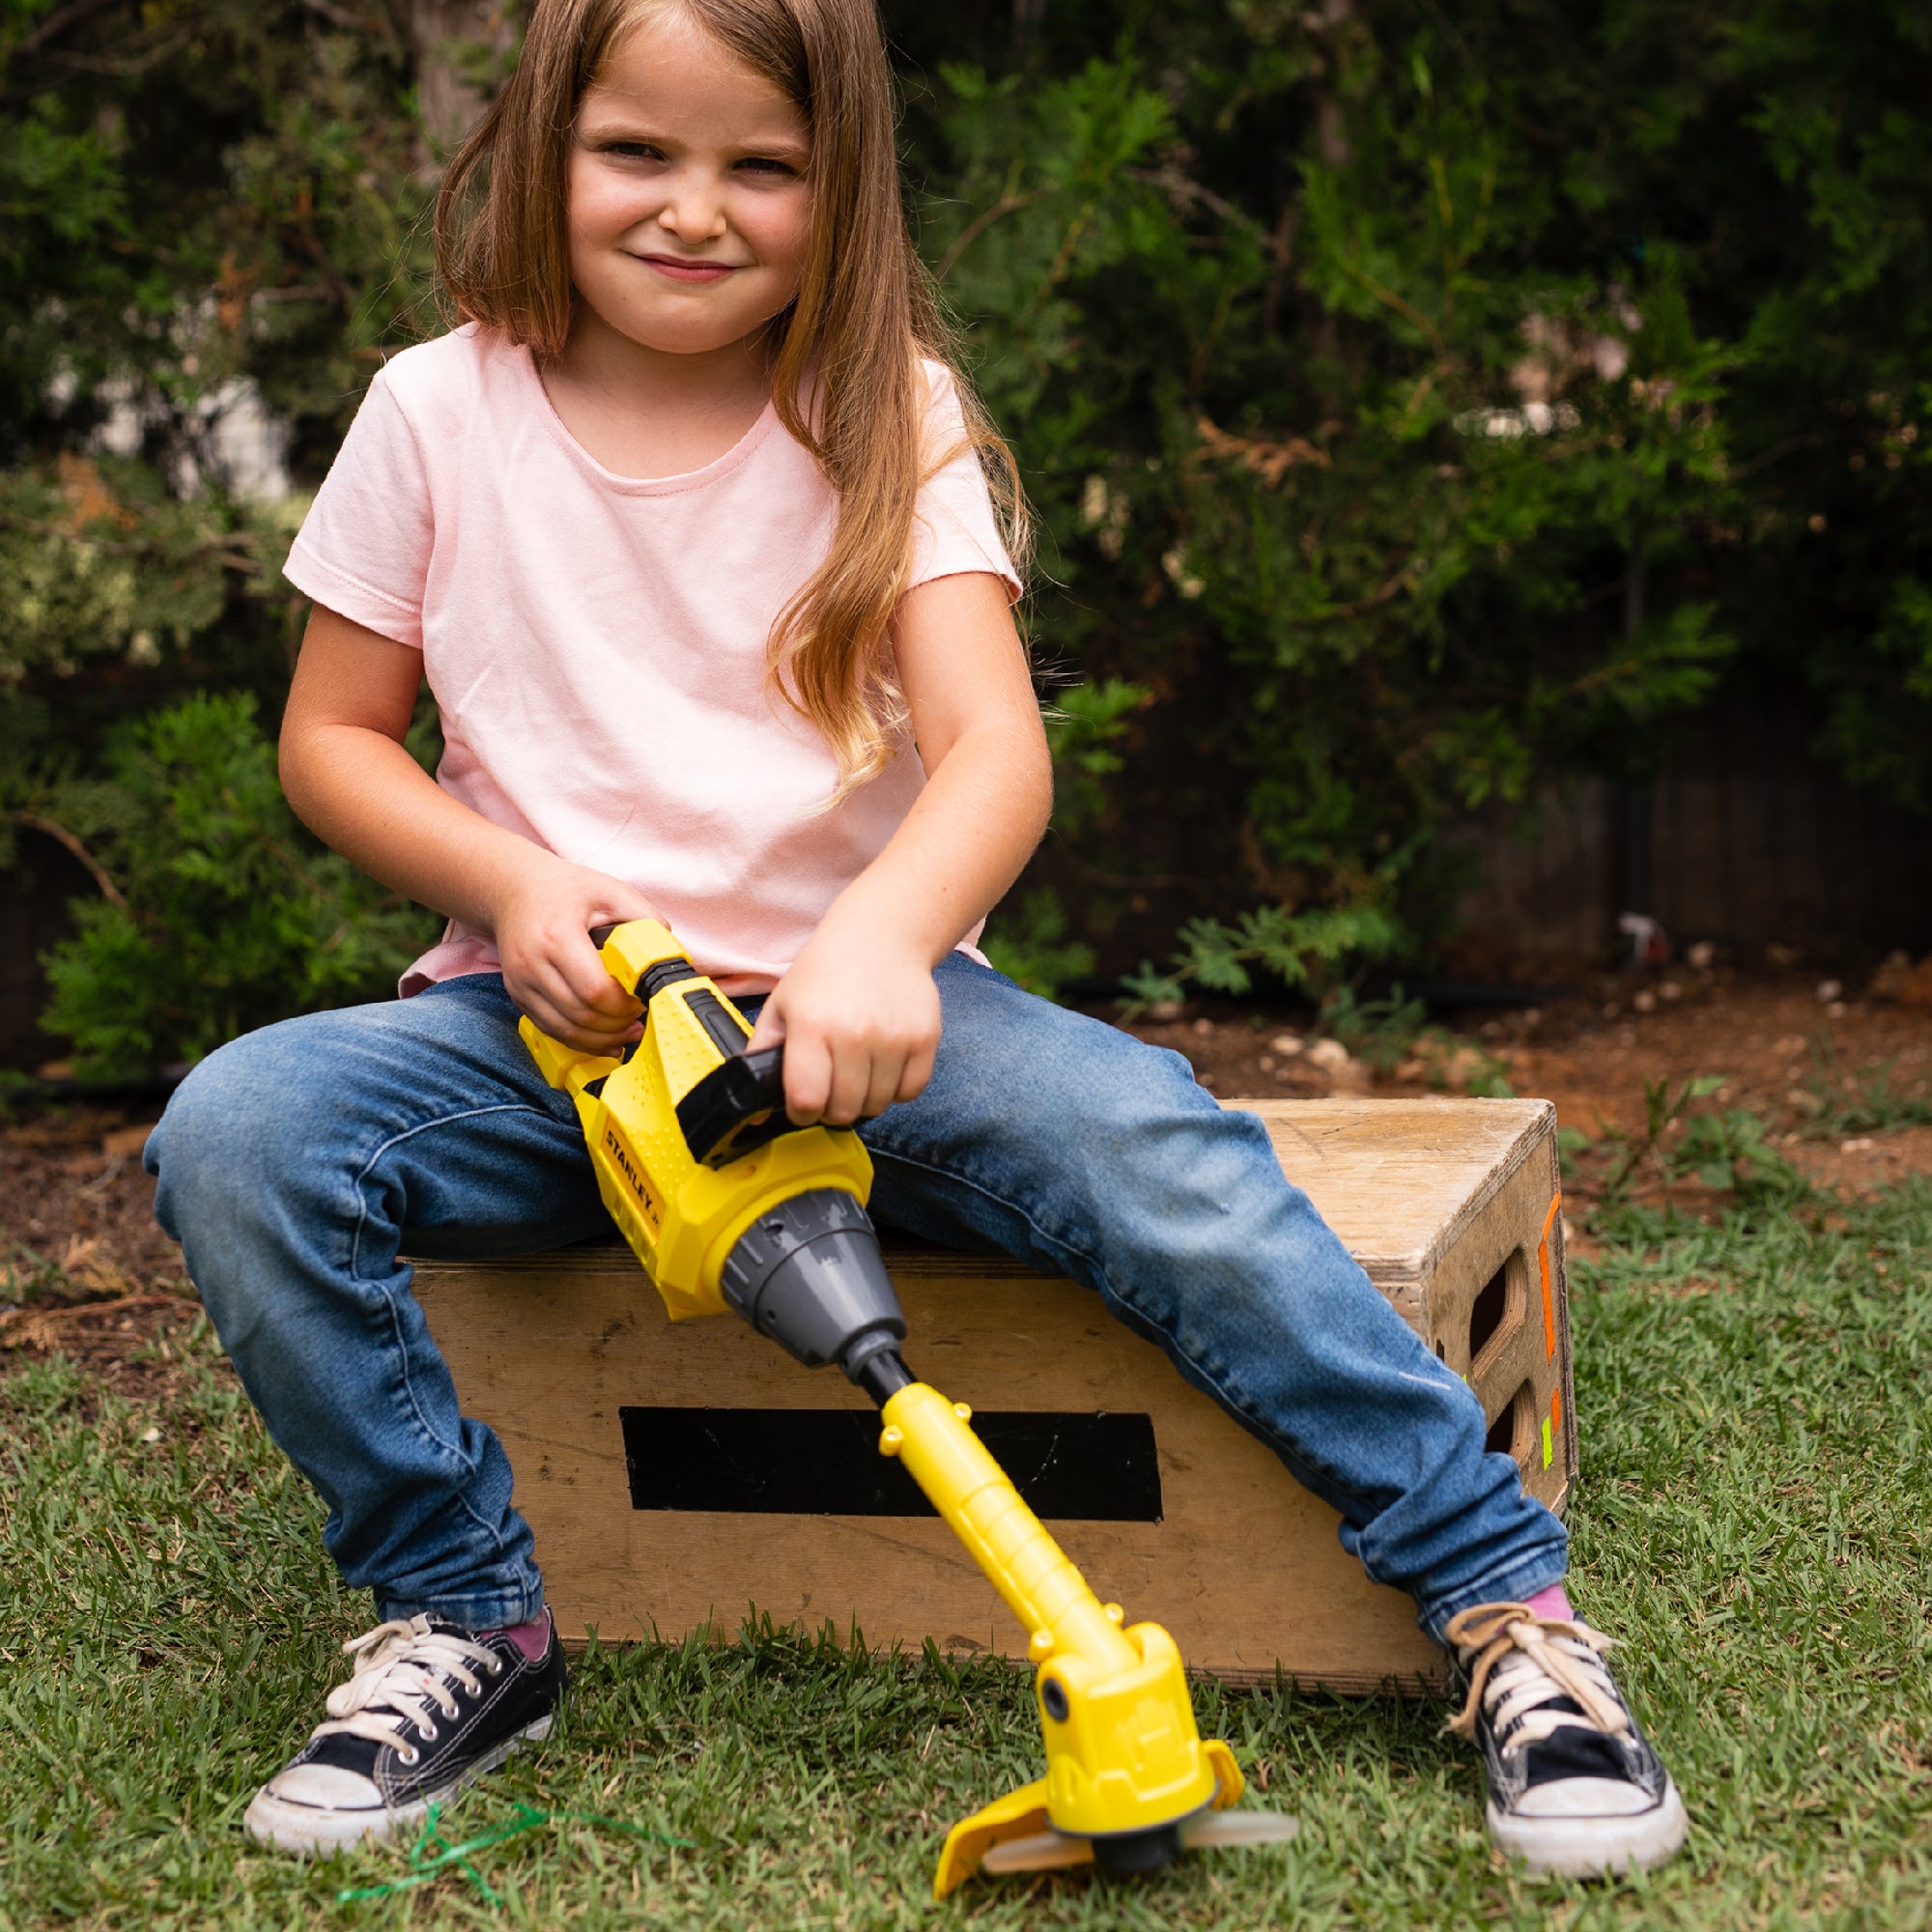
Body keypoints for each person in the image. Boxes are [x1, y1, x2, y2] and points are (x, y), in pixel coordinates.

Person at [143, 0, 1687, 1882]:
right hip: (557, 1045)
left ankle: (1503, 1608)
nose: (694, 209)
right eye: (640, 152)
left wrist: (881, 936)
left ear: (840, 183)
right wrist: (511, 885)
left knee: (1154, 1150)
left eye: (762, 166)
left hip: (879, 1024)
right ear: (543, 143)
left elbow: (994, 752)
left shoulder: (884, 405)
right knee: (244, 1128)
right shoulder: (433, 410)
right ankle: (460, 1609)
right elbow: (328, 737)